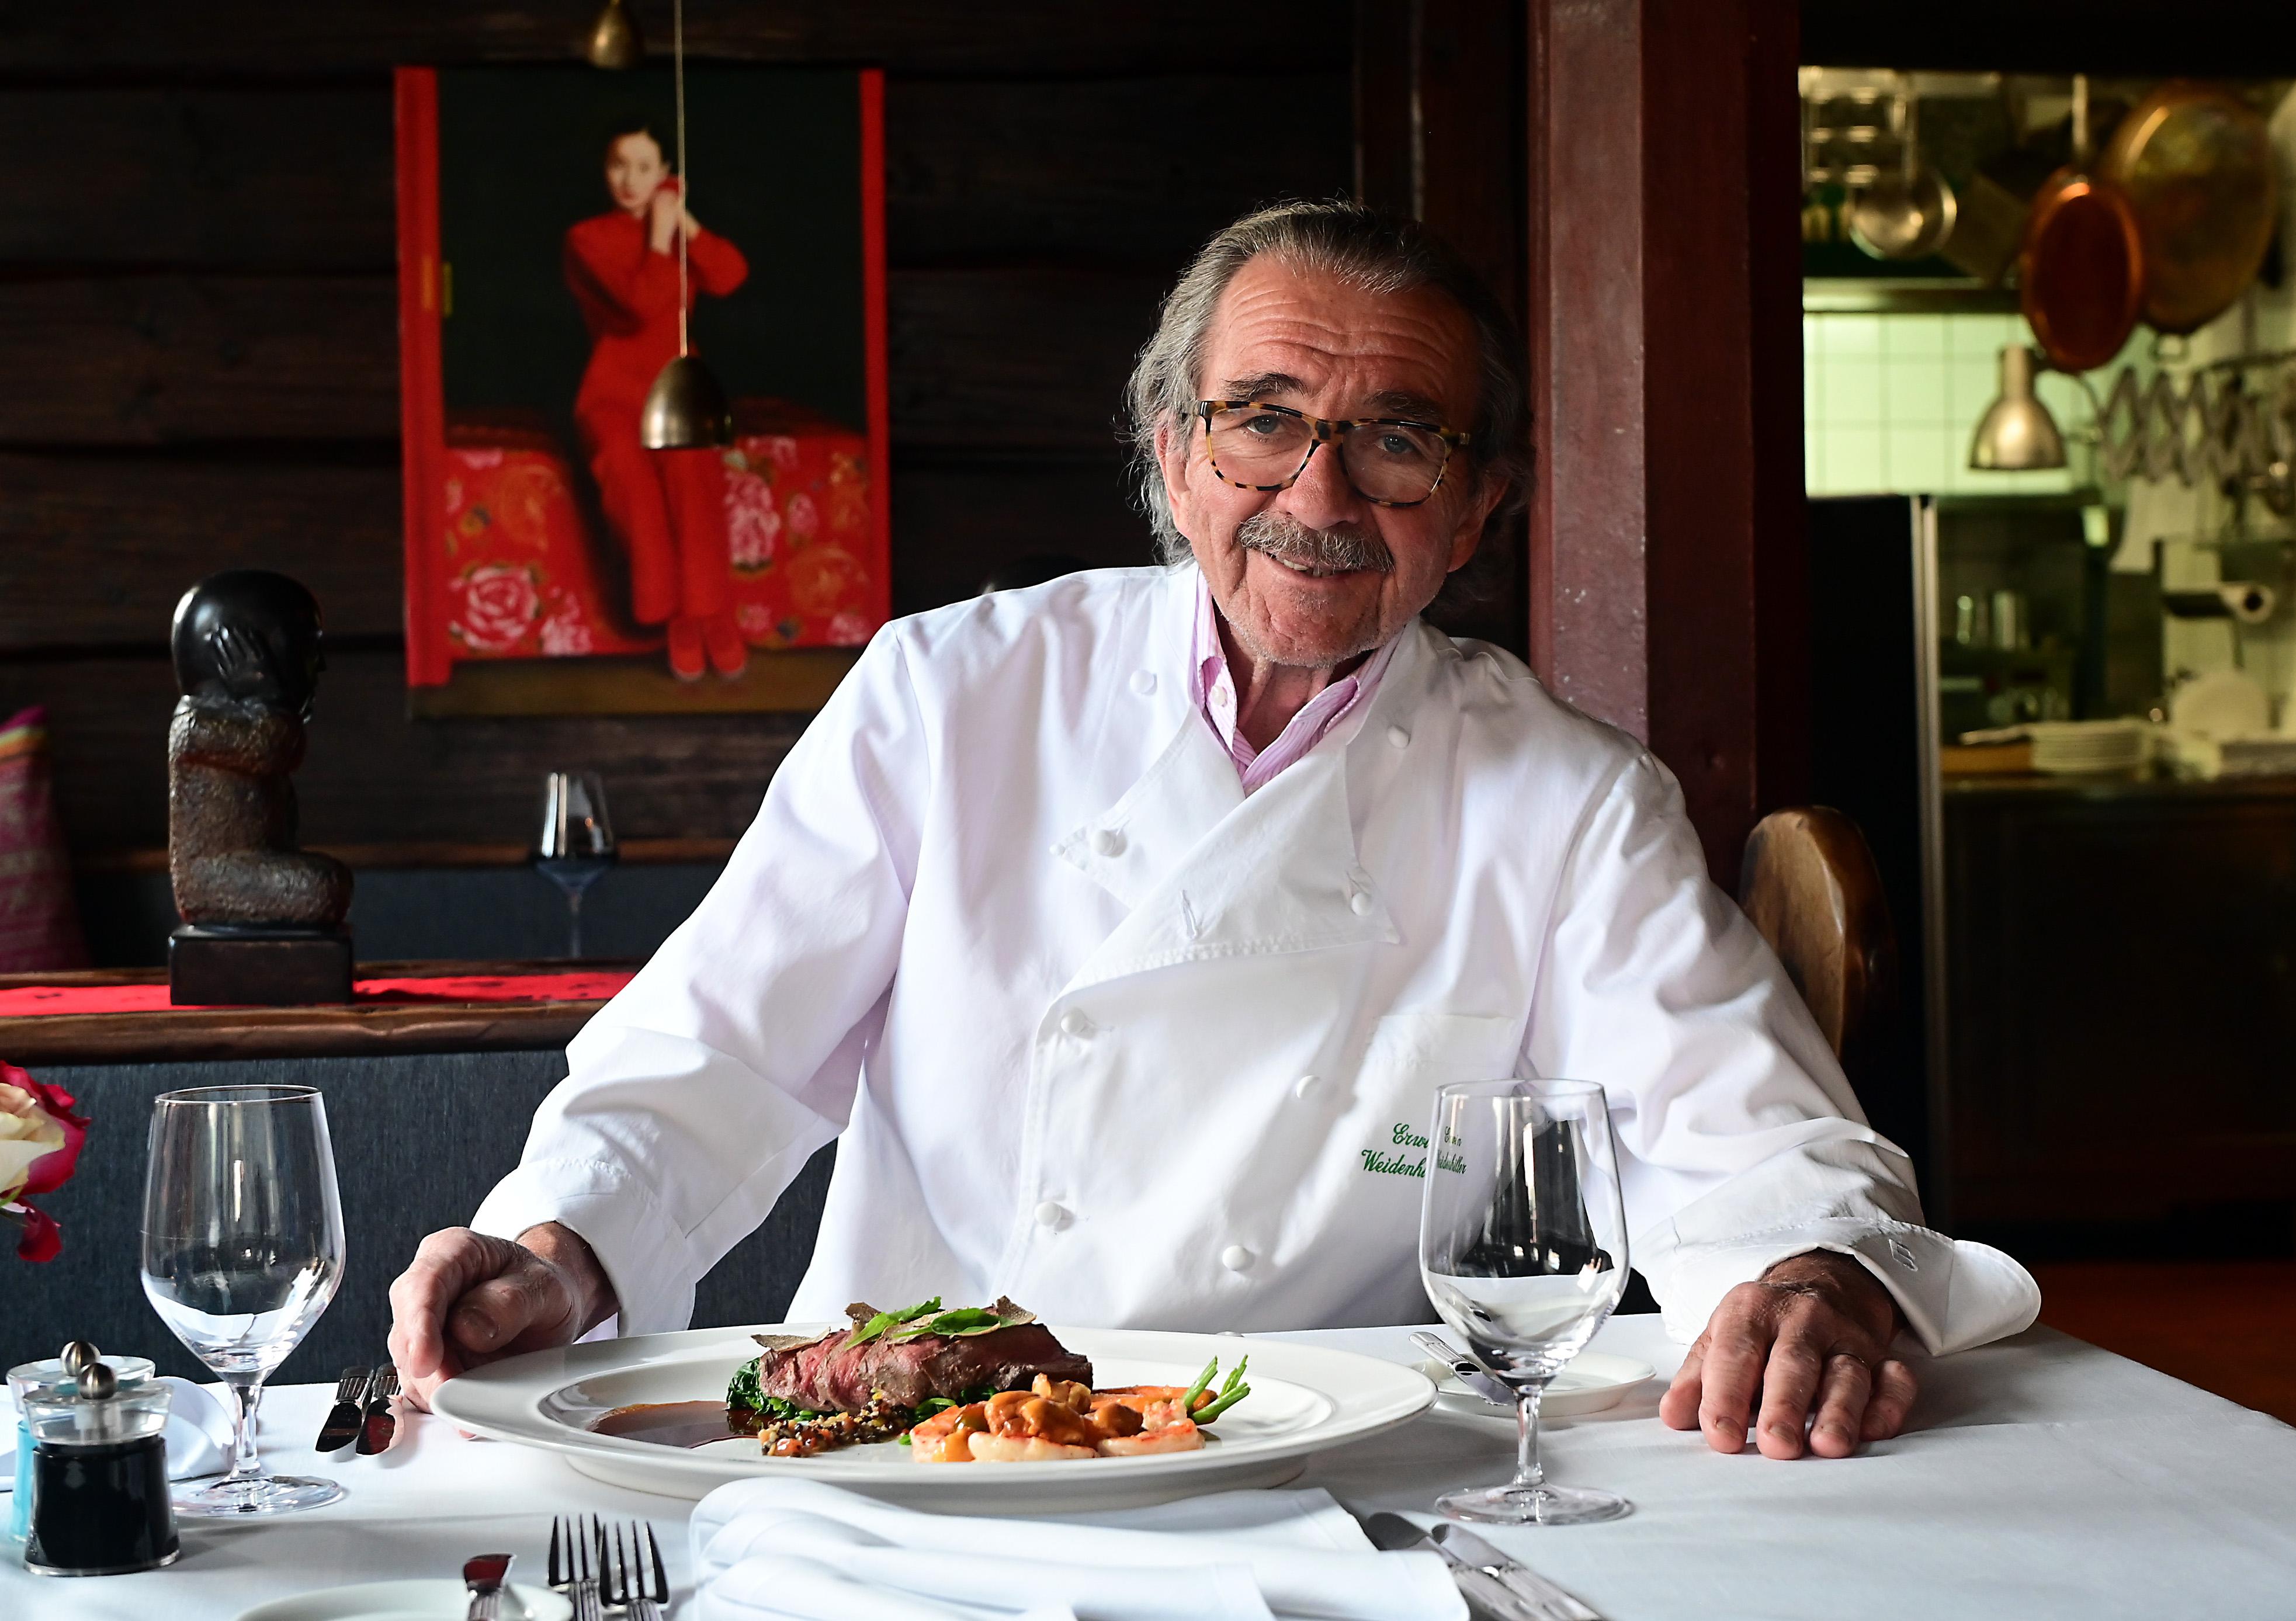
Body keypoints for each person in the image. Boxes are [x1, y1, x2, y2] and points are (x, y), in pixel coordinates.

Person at [393, 202, 2038, 1461]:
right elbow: (721, 1049)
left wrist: (1810, 1270)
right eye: (1261, 418)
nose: (1319, 498)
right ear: (1172, 457)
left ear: (1476, 506)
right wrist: (563, 1245)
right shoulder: (950, 693)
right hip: (904, 1455)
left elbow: (1749, 1139)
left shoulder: (1567, 795)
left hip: (1316, 1470)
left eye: (1397, 438)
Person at [564, 117, 750, 681]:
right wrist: (659, 237)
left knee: (694, 482)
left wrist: (686, 224)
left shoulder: (675, 229)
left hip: (679, 395)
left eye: (644, 167)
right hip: (615, 398)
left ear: (666, 174)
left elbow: (731, 274)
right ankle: (672, 619)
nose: (630, 179)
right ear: (605, 170)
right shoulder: (587, 238)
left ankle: (711, 615)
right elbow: (643, 304)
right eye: (619, 164)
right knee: (636, 491)